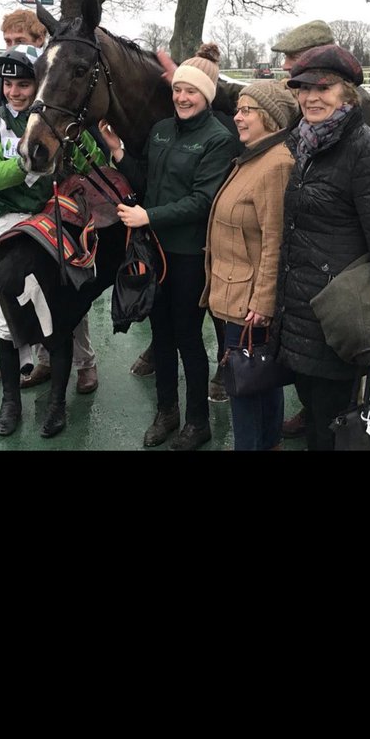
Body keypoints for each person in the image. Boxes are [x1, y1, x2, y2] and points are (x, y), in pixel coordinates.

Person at [271, 44, 370, 451]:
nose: (311, 97)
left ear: (347, 93)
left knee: (333, 429)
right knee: (316, 420)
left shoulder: (364, 150)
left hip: (337, 319)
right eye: (303, 88)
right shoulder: (304, 143)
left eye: (324, 88)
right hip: (300, 313)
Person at [100, 44, 235, 450]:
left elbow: (202, 201)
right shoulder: (160, 130)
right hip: (154, 252)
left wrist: (149, 216)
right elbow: (145, 180)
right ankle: (166, 411)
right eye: (177, 90)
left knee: (188, 337)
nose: (182, 97)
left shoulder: (219, 139)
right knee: (160, 333)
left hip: (190, 255)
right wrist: (118, 151)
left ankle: (197, 421)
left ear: (206, 95)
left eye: (191, 91)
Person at [0, 6, 102, 396]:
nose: (13, 91)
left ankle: (85, 363)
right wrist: (29, 161)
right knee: (22, 295)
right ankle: (40, 360)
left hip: (55, 216)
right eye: (8, 84)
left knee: (69, 294)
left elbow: (92, 160)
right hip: (14, 221)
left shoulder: (55, 108)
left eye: (22, 84)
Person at [201, 82, 299, 449]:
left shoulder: (276, 165)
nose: (237, 117)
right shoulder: (256, 157)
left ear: (270, 118)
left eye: (247, 111)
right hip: (237, 293)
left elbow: (276, 240)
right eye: (238, 110)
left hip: (249, 303)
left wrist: (264, 301)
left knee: (244, 386)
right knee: (261, 377)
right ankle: (269, 442)